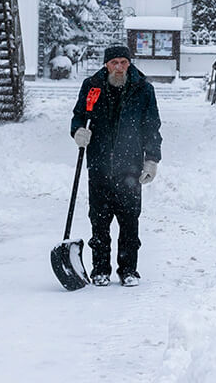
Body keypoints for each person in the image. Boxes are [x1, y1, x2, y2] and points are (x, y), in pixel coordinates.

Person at [70, 45, 161, 287]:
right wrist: (78, 130)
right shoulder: (92, 87)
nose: (119, 67)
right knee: (99, 221)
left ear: (129, 63)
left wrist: (151, 160)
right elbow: (79, 115)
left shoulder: (144, 89)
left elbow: (152, 127)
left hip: (130, 166)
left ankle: (128, 270)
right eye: (114, 63)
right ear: (106, 65)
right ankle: (100, 269)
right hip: (99, 165)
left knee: (129, 221)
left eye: (123, 62)